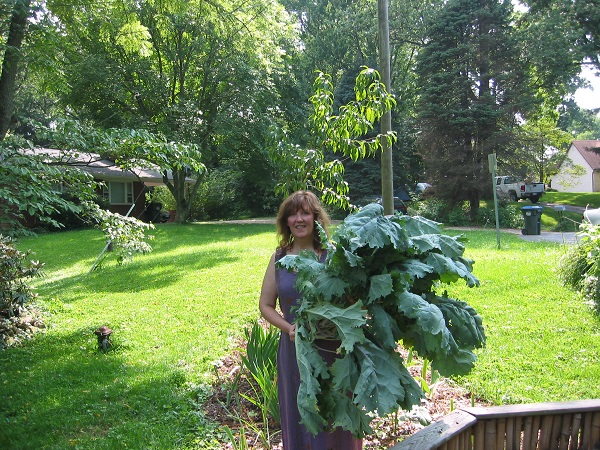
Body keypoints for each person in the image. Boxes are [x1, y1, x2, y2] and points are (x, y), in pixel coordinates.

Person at [259, 190, 362, 450]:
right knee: (300, 415)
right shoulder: (279, 258)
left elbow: (353, 302)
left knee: (335, 416)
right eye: (293, 214)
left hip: (333, 352)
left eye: (305, 212)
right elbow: (266, 305)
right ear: (286, 222)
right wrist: (289, 328)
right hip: (296, 352)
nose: (299, 219)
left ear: (316, 218)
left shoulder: (333, 256)